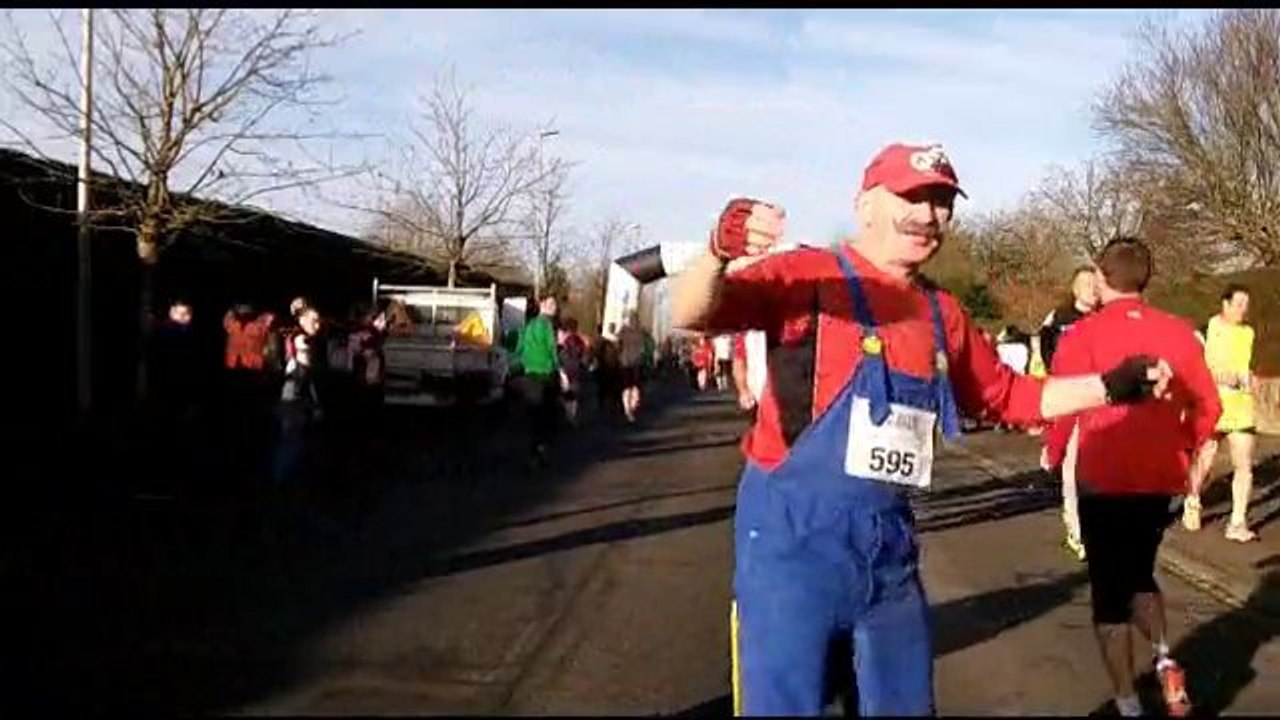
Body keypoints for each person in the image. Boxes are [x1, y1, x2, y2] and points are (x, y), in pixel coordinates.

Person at [670, 142, 1173, 717]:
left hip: (889, 554)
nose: (928, 215)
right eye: (911, 197)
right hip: (791, 548)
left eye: (941, 202)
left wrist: (1111, 386)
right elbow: (694, 314)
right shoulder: (809, 275)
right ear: (865, 205)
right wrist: (718, 251)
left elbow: (1009, 396)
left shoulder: (941, 312)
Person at [1043, 237, 1220, 717]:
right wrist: (1187, 448)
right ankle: (1165, 660)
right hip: (1159, 475)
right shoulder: (1180, 334)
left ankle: (1127, 704)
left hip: (1103, 473)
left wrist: (1053, 453)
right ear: (1146, 278)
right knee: (1140, 571)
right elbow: (1209, 405)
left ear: (1102, 277)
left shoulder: (1082, 336)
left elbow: (1063, 404)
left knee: (1109, 594)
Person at [1183, 283, 1259, 541]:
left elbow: (1250, 366)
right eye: (1238, 304)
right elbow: (1190, 367)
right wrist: (1216, 376)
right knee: (1206, 458)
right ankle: (1192, 499)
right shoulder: (1207, 330)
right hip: (1211, 405)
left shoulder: (1249, 333)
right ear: (1225, 304)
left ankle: (1237, 522)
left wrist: (1250, 378)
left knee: (1244, 464)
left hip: (1240, 406)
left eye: (1246, 305)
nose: (1242, 310)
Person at [1038, 266, 1100, 561]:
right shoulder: (1059, 319)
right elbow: (1046, 350)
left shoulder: (1106, 318)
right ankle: (1077, 529)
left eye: (1096, 283)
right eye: (1086, 284)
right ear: (1075, 289)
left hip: (1101, 399)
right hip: (1071, 398)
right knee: (1073, 465)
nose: (1093, 289)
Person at [515, 294, 566, 464]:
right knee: (548, 413)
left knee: (533, 414)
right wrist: (560, 369)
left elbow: (519, 349)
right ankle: (543, 448)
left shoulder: (528, 325)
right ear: (542, 305)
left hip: (530, 374)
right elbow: (552, 350)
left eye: (555, 304)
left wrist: (517, 366)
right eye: (551, 304)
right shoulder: (547, 325)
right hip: (546, 374)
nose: (554, 307)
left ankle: (532, 450)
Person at [616, 312, 648, 423]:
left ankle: (628, 409)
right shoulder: (639, 332)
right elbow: (644, 349)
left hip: (627, 362)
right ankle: (630, 408)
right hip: (633, 363)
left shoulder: (624, 331)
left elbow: (618, 345)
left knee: (629, 387)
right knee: (633, 387)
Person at [557, 317, 589, 425]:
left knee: (566, 393)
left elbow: (561, 354)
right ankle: (572, 415)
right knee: (574, 394)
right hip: (576, 369)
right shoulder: (580, 340)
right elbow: (584, 355)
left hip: (566, 368)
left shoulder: (564, 340)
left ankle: (567, 415)